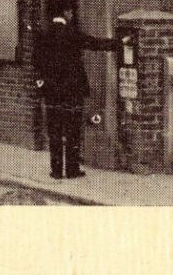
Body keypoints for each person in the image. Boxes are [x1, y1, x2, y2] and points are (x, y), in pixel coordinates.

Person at [30, 9, 119, 180]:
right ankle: (72, 169)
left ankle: (56, 171)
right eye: (71, 13)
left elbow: (36, 63)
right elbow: (95, 44)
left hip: (52, 93)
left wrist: (45, 81)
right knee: (72, 131)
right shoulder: (72, 34)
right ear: (67, 14)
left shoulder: (43, 36)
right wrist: (119, 43)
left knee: (54, 132)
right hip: (73, 92)